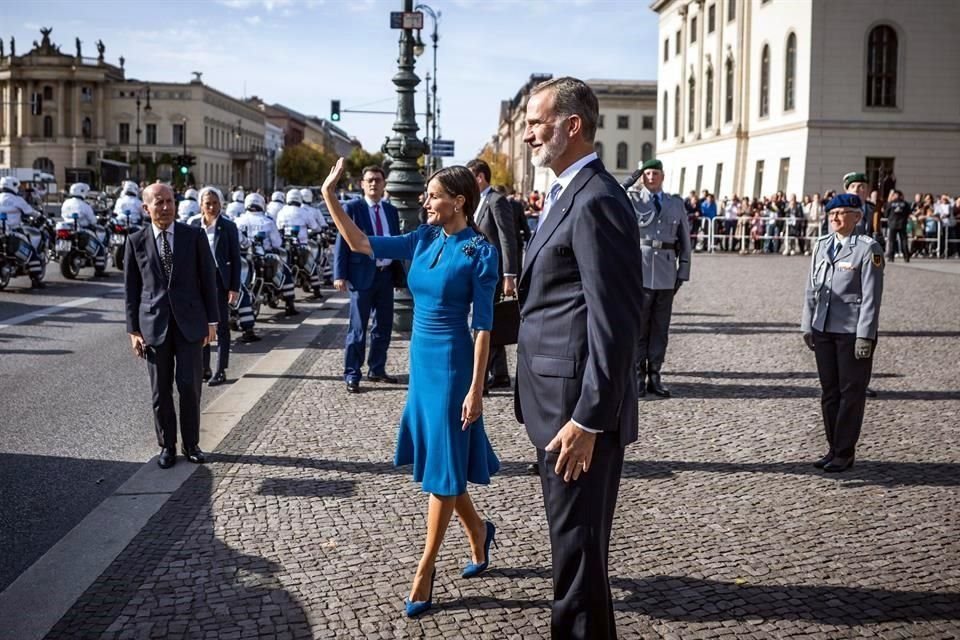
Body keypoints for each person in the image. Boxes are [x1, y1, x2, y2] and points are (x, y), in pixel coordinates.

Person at [320, 159, 500, 618]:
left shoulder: (480, 251)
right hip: (420, 363)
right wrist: (329, 195)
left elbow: (483, 327)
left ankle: (425, 569)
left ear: (458, 201)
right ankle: (478, 532)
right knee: (444, 460)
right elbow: (360, 243)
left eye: (434, 195)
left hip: (453, 366)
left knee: (441, 468)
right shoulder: (422, 238)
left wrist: (477, 388)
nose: (425, 201)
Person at [516, 76, 643, 639]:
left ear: (572, 125)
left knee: (579, 557)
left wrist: (590, 418)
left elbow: (616, 324)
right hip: (556, 403)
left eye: (535, 123)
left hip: (577, 415)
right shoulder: (568, 191)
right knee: (575, 556)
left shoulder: (595, 199)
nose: (526, 136)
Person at [124, 183, 218, 469]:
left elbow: (208, 280)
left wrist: (212, 321)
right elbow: (131, 288)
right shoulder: (135, 241)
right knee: (160, 391)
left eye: (169, 201)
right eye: (159, 202)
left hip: (190, 324)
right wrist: (133, 330)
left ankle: (192, 445)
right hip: (153, 326)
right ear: (146, 208)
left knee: (189, 387)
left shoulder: (194, 236)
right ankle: (167, 446)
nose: (165, 207)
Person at [801, 193, 883, 473]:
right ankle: (833, 447)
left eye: (842, 213)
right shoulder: (822, 245)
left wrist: (865, 335)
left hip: (851, 331)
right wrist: (807, 324)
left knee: (851, 392)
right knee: (830, 392)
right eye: (832, 214)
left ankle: (845, 452)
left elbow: (872, 297)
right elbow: (811, 288)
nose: (835, 218)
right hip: (823, 328)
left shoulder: (867, 249)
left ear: (857, 217)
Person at [332, 165, 401, 393]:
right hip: (361, 277)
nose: (374, 184)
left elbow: (397, 243)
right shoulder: (353, 208)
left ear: (384, 184)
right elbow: (342, 241)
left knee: (383, 326)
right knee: (358, 327)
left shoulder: (391, 211)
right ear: (362, 184)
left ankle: (377, 369)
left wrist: (400, 275)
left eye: (378, 180)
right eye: (369, 180)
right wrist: (339, 274)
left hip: (385, 276)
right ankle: (352, 373)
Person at [627, 158, 692, 399]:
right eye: (647, 174)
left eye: (655, 173)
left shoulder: (675, 203)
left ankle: (655, 373)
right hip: (640, 273)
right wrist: (634, 175)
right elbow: (614, 194)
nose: (651, 177)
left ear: (662, 176)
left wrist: (682, 272)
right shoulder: (632, 200)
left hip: (666, 273)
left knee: (660, 328)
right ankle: (637, 376)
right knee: (639, 327)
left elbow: (685, 240)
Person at [466, 159, 520, 392]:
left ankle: (483, 379)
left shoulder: (496, 201)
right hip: (478, 271)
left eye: (469, 178)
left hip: (495, 273)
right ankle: (500, 374)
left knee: (486, 322)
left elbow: (508, 238)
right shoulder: (475, 203)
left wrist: (509, 274)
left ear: (480, 178)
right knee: (492, 322)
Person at [187, 187, 241, 386]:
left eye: (215, 203)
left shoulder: (228, 226)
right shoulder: (193, 224)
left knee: (221, 327)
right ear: (201, 205)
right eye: (207, 203)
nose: (211, 207)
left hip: (219, 280)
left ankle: (220, 370)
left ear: (221, 204)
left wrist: (234, 287)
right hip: (198, 281)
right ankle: (204, 367)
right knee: (202, 325)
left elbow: (236, 258)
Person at [235, 193, 298, 317]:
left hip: (242, 255)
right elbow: (277, 243)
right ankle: (289, 305)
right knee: (286, 272)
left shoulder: (238, 220)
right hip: (264, 256)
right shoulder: (267, 221)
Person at [0, 176, 46, 289]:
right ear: (13, 186)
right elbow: (30, 211)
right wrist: (40, 216)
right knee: (32, 253)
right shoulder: (17, 200)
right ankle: (36, 280)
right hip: (13, 231)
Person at [61, 182, 108, 275]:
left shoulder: (66, 203)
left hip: (67, 227)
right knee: (100, 248)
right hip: (82, 229)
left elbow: (62, 215)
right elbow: (92, 220)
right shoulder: (84, 205)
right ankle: (99, 270)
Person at [884, 190, 911, 263]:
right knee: (904, 241)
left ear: (895, 195)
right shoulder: (905, 203)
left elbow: (886, 214)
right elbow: (909, 212)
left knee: (892, 241)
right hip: (902, 224)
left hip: (892, 224)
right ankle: (906, 257)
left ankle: (891, 257)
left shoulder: (891, 203)